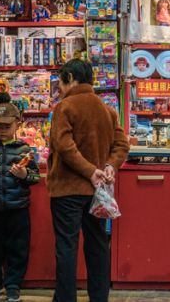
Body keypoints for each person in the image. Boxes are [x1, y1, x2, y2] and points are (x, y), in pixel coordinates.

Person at [47, 59, 129, 302]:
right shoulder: (107, 109)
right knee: (97, 246)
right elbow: (122, 144)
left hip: (67, 191)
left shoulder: (65, 107)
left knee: (66, 248)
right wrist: (109, 166)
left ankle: (65, 298)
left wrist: (89, 171)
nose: (59, 88)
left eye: (60, 82)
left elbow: (64, 146)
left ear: (71, 78)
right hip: (98, 193)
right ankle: (99, 297)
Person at [0, 93, 39, 302]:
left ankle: (13, 285)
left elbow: (35, 176)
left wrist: (24, 175)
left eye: (6, 126)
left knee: (18, 249)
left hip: (18, 207)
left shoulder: (24, 149)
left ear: (17, 124)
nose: (2, 131)